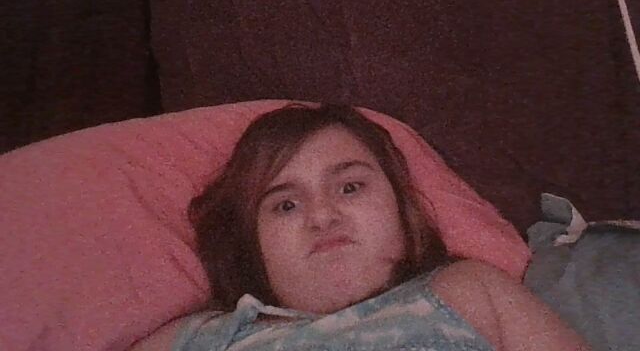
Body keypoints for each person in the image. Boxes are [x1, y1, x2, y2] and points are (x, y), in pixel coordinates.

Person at [131, 103, 590, 351]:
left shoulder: (468, 289)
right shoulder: (196, 339)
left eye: (350, 187)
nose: (322, 216)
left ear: (400, 209)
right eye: (286, 205)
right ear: (252, 244)